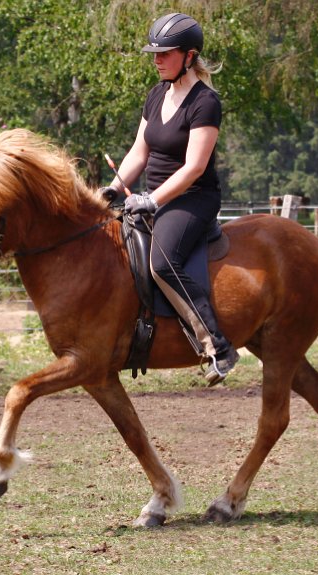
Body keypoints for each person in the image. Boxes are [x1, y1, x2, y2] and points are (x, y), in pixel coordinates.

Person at [105, 12, 239, 385]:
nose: (156, 59)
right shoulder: (156, 94)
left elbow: (194, 168)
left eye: (165, 53)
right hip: (152, 197)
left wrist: (152, 199)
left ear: (190, 56)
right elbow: (138, 153)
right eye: (155, 53)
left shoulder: (205, 102)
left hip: (192, 199)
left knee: (162, 261)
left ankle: (217, 346)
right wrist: (115, 188)